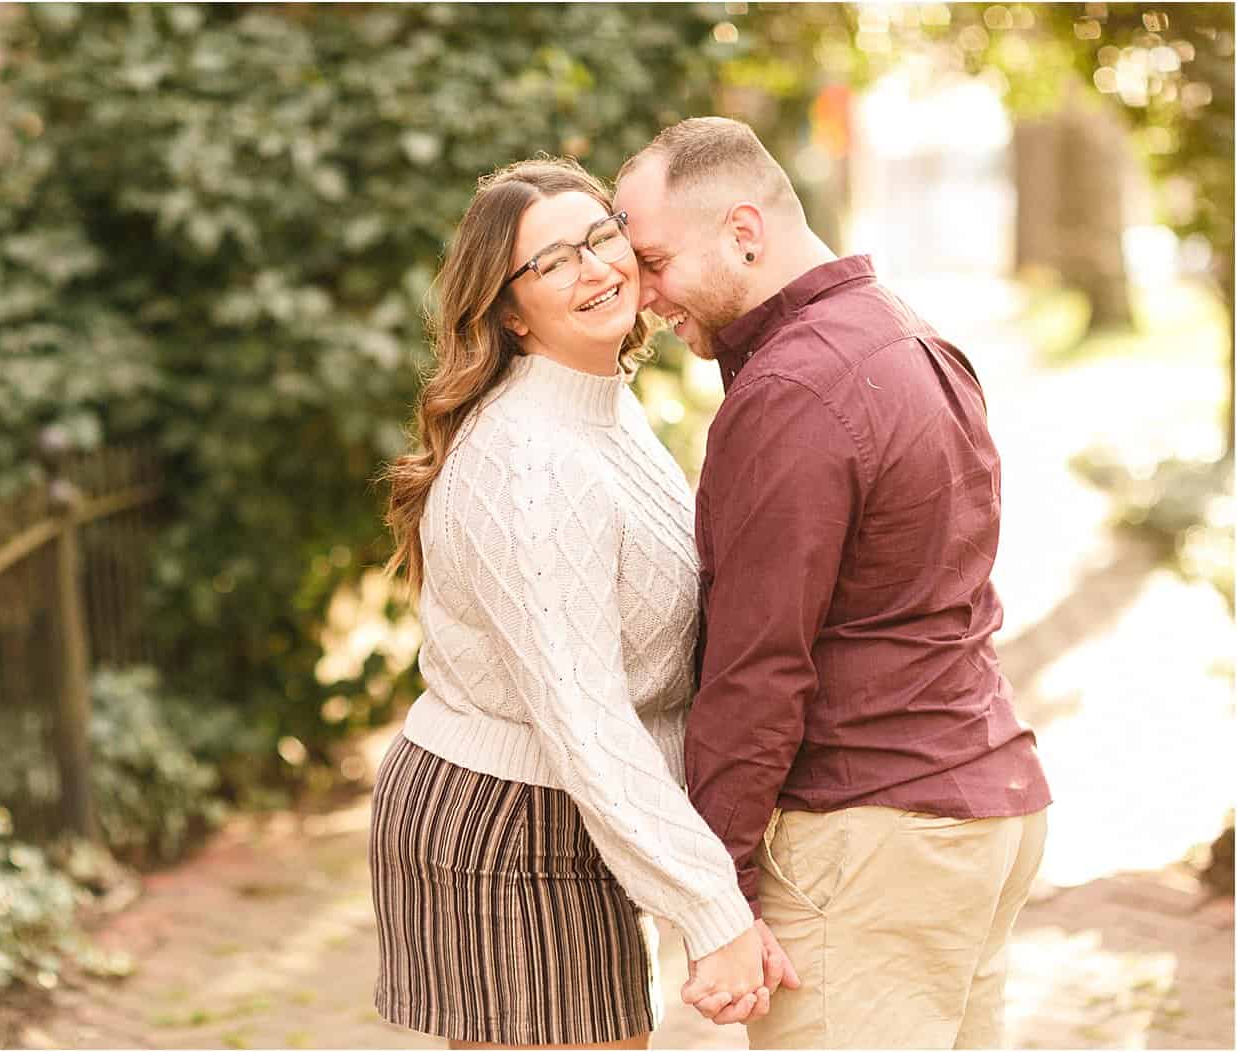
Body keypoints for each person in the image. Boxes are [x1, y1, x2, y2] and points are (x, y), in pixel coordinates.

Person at [613, 117, 1053, 1049]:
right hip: (980, 809)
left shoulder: (792, 390)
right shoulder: (908, 333)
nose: (643, 296)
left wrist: (717, 894)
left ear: (743, 230)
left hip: (872, 832)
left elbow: (758, 666)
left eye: (654, 261)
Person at [371, 157, 776, 1048]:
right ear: (508, 311)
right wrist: (714, 912)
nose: (597, 268)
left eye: (602, 237)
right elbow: (584, 716)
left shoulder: (598, 409)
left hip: (562, 804)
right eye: (554, 262)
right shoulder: (532, 460)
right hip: (508, 820)